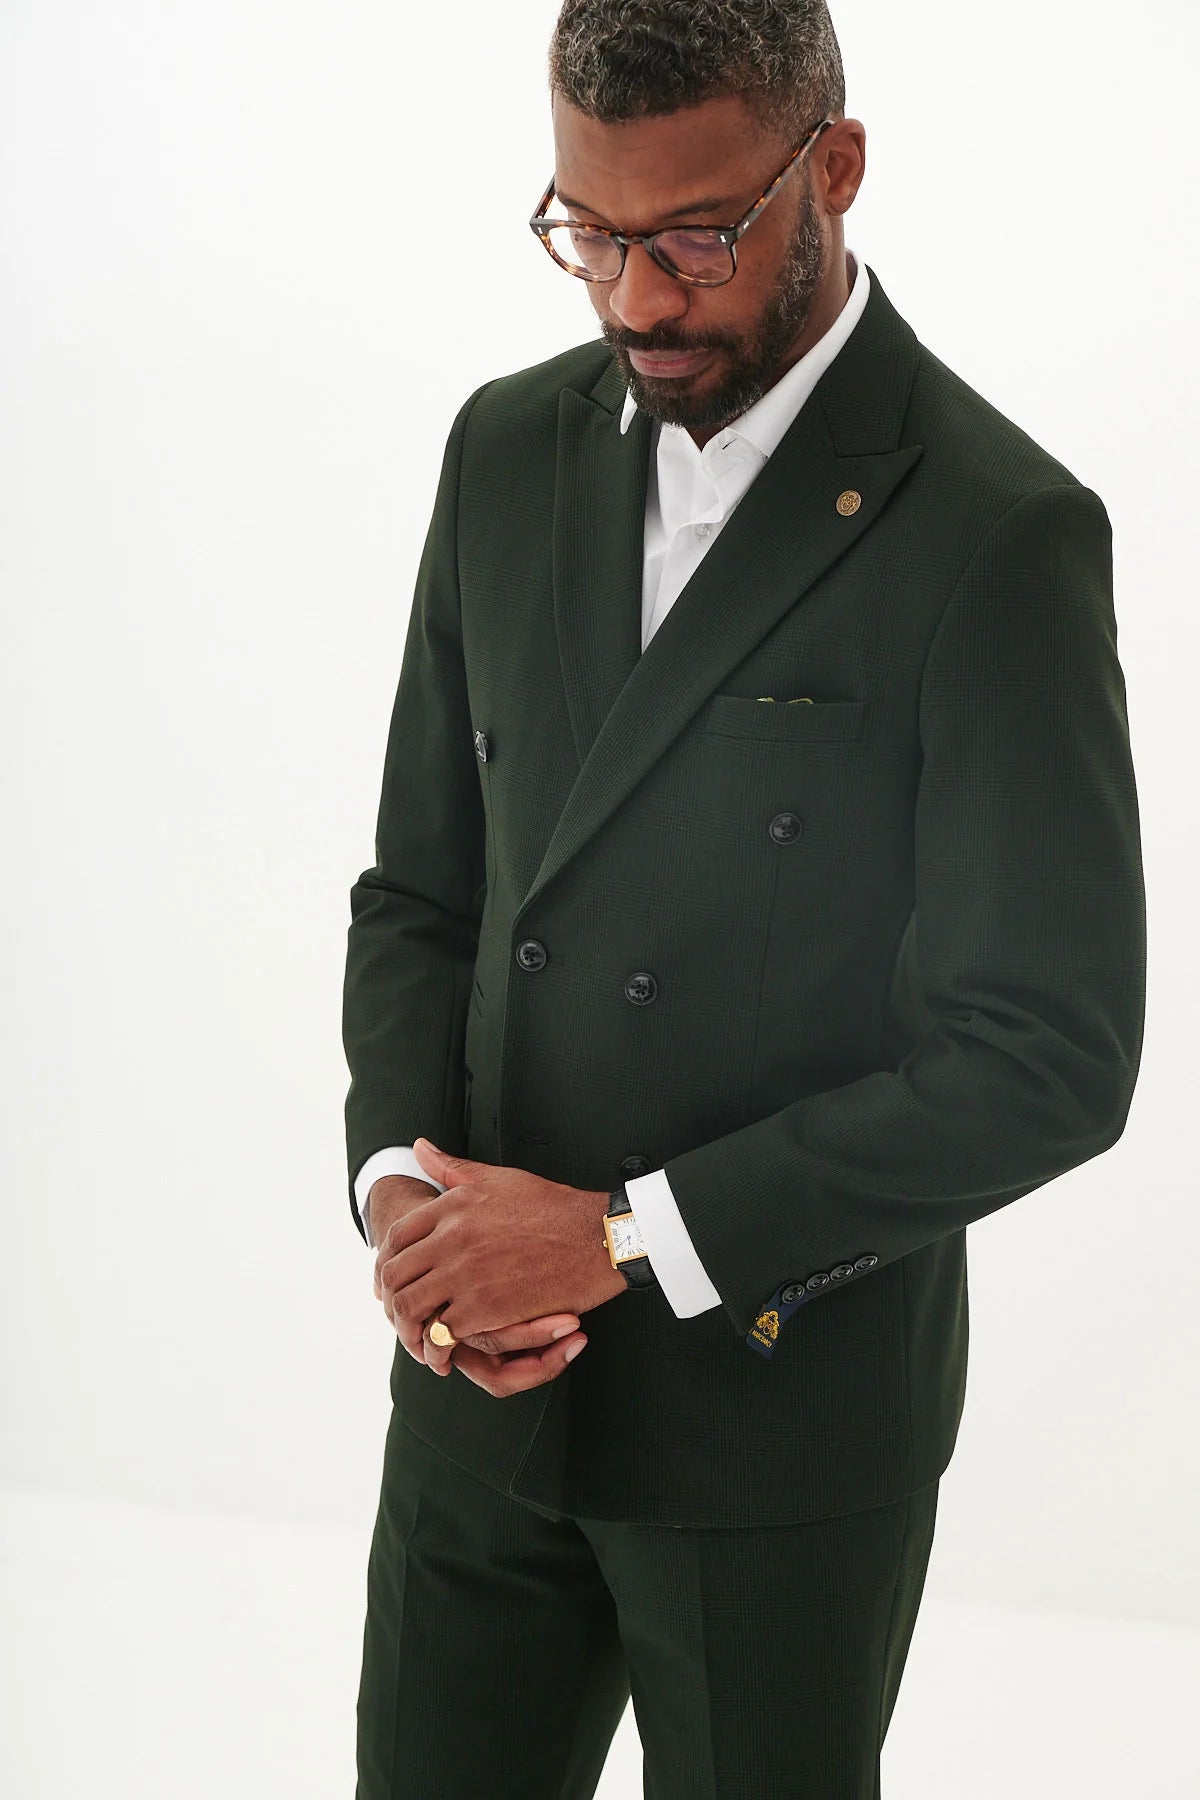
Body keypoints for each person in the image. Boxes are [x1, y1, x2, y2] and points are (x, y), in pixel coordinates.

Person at [341, 3, 1146, 1794]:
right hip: (479, 1399)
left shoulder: (998, 532)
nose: (638, 299)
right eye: (589, 234)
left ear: (834, 169)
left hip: (781, 1444)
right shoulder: (502, 450)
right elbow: (420, 890)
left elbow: (1047, 1057)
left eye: (698, 237)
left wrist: (623, 1240)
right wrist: (405, 1196)